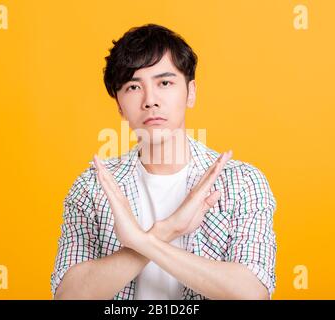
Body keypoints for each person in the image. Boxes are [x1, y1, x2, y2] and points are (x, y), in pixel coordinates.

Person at [51, 23, 277, 300]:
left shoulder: (241, 182)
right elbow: (68, 296)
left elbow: (252, 294)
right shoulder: (93, 188)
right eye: (134, 87)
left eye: (165, 83)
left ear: (190, 92)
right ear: (120, 105)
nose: (150, 101)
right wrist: (168, 229)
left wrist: (141, 241)